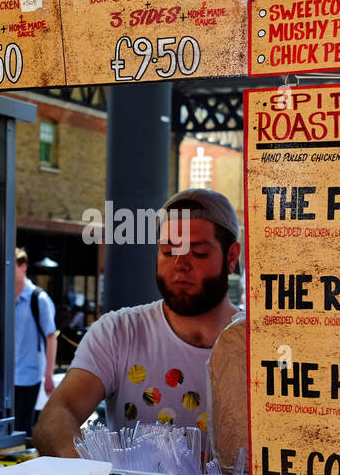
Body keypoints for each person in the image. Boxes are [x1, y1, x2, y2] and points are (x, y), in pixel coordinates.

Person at [35, 189, 242, 457]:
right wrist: (85, 468)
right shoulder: (117, 332)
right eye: (168, 251)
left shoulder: (259, 342)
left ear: (231, 257)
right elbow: (58, 413)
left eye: (198, 252)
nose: (180, 264)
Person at [13, 247, 57, 438]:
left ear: (23, 267)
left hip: (29, 372)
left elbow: (51, 337)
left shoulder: (38, 298)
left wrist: (48, 374)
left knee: (23, 426)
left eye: (11, 266)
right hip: (6, 376)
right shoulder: (6, 298)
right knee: (9, 426)